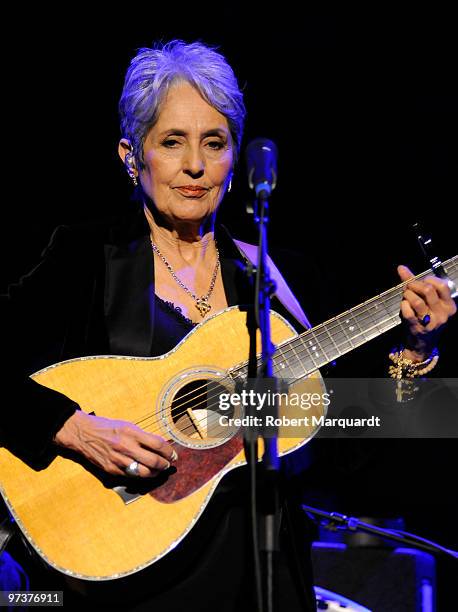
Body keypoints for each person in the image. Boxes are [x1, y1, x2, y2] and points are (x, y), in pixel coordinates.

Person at [0, 40, 456, 611]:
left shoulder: (275, 274)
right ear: (130, 155)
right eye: (172, 142)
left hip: (265, 577)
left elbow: (353, 449)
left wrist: (415, 354)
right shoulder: (85, 257)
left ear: (235, 157)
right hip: (129, 573)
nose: (195, 165)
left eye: (213, 143)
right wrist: (71, 425)